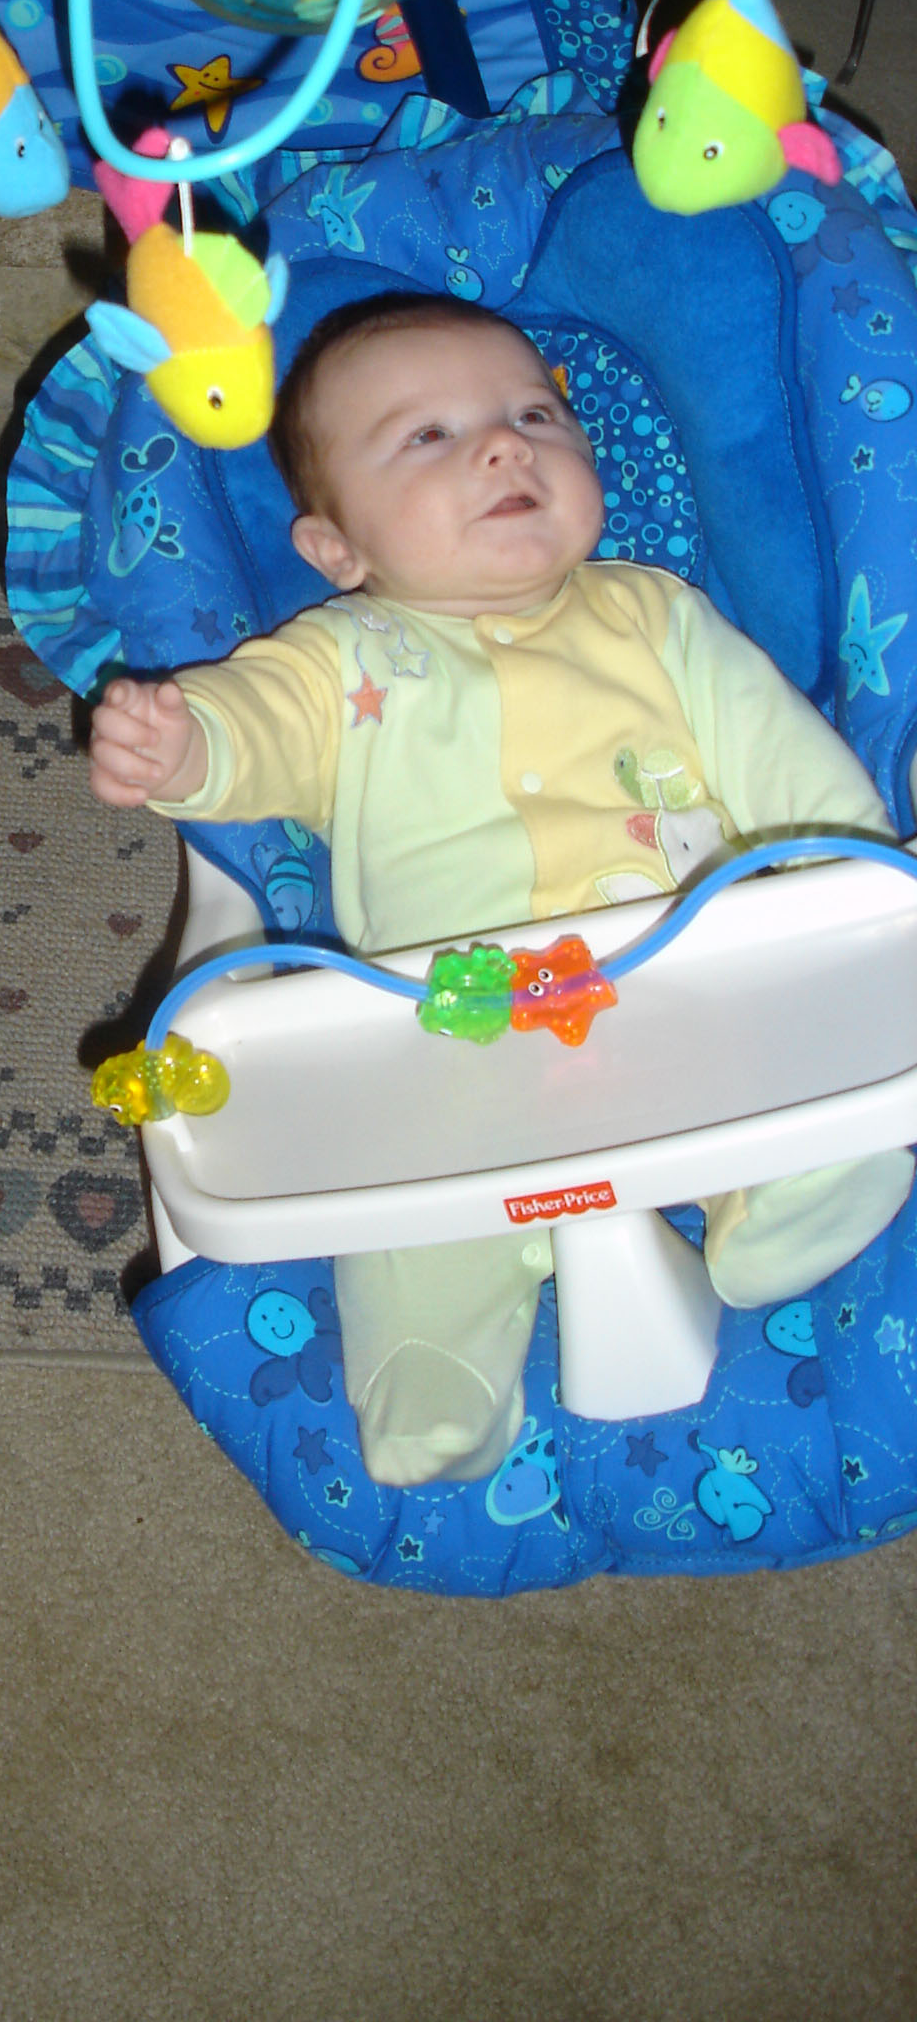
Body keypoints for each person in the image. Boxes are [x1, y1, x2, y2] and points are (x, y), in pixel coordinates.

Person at [89, 291, 913, 1488]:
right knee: (413, 1219)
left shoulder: (656, 617)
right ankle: (433, 1377)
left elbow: (786, 766)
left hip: (693, 984)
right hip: (451, 1033)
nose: (502, 448)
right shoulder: (345, 661)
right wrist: (181, 744)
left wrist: (858, 892)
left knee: (819, 1079)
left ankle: (787, 1208)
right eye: (428, 435)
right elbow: (254, 724)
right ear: (337, 550)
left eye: (535, 415)